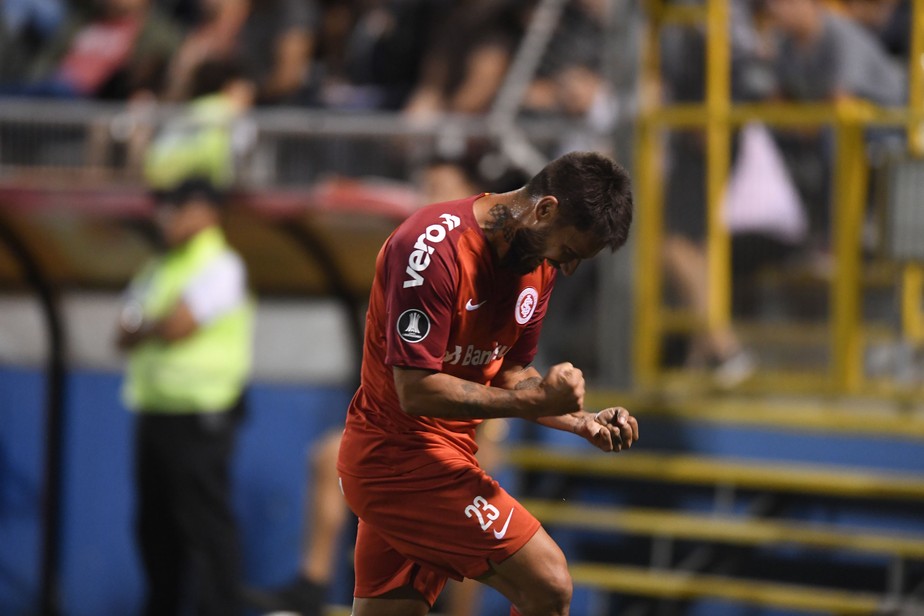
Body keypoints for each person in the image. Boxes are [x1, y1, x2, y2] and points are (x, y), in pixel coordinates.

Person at [336, 150, 638, 616]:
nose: (569, 267)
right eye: (571, 253)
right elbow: (414, 389)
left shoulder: (537, 263)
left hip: (442, 459)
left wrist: (583, 422)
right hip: (397, 462)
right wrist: (534, 401)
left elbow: (513, 372)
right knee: (549, 582)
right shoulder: (431, 248)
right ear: (544, 209)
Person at [116, 176, 254, 616]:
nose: (168, 217)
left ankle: (220, 610)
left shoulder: (221, 264)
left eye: (179, 207)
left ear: (208, 212)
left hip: (202, 416)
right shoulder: (159, 267)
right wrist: (155, 323)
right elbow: (121, 332)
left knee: (204, 526)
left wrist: (149, 325)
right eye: (166, 207)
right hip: (154, 412)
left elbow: (177, 326)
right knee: (154, 529)